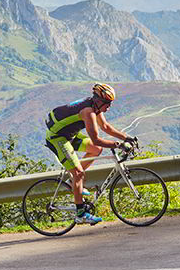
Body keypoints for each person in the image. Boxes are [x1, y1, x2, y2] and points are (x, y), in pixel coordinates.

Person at [45, 83, 135, 225]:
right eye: (107, 103)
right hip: (58, 139)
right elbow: (96, 139)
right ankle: (81, 214)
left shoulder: (95, 107)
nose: (109, 107)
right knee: (79, 173)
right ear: (99, 101)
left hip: (69, 135)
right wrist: (118, 145)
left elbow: (105, 127)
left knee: (96, 150)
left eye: (110, 103)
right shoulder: (88, 112)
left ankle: (72, 181)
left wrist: (126, 137)